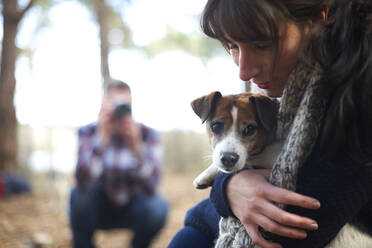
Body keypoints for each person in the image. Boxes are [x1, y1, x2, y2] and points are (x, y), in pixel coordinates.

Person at [168, 0, 372, 247]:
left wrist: (223, 194)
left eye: (262, 45)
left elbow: (292, 226)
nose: (244, 71)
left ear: (319, 20)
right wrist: (229, 186)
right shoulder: (305, 91)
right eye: (232, 45)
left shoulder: (359, 95)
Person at [69, 80, 168, 248]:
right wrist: (101, 139)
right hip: (99, 207)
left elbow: (153, 186)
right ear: (103, 106)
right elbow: (82, 181)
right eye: (114, 105)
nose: (119, 111)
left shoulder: (146, 134)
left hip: (134, 206)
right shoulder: (88, 132)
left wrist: (137, 147)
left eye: (124, 106)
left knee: (158, 206)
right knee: (78, 197)